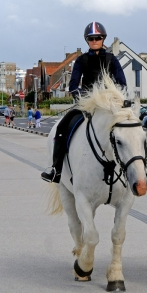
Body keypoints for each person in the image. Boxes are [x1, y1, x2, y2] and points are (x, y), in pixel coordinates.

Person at [41, 21, 127, 183]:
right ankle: (56, 169)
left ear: (103, 39)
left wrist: (112, 98)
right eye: (91, 38)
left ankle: (139, 170)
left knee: (131, 131)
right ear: (87, 40)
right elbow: (73, 85)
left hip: (108, 105)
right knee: (61, 128)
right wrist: (84, 98)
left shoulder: (112, 59)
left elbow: (122, 83)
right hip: (87, 104)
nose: (94, 41)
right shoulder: (81, 60)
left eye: (98, 38)